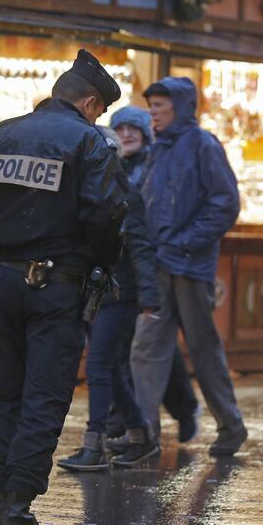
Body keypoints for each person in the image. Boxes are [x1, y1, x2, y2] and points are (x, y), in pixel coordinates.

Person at [0, 49, 127, 525]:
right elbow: (107, 217)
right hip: (57, 287)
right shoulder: (89, 142)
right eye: (100, 109)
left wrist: (4, 247)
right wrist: (95, 261)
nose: (98, 118)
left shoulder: (3, 133)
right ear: (90, 102)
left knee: (4, 394)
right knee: (44, 398)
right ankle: (17, 509)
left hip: (2, 282)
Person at [131, 77, 248, 458]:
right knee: (147, 346)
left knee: (202, 348)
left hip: (189, 267)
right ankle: (144, 431)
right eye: (151, 108)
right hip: (158, 265)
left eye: (160, 108)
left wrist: (184, 243)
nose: (153, 114)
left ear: (179, 108)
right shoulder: (157, 150)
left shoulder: (203, 145)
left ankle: (230, 425)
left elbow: (225, 203)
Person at [57, 123, 160, 473]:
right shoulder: (83, 192)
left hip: (119, 293)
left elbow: (142, 248)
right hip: (92, 290)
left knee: (100, 365)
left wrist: (147, 296)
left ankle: (95, 443)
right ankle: (140, 435)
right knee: (112, 368)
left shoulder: (127, 194)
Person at [103, 108, 200, 463]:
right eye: (120, 128)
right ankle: (127, 422)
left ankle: (181, 410)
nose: (127, 134)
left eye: (134, 128)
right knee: (127, 349)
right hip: (118, 269)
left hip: (148, 267)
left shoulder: (152, 167)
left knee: (148, 348)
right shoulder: (111, 165)